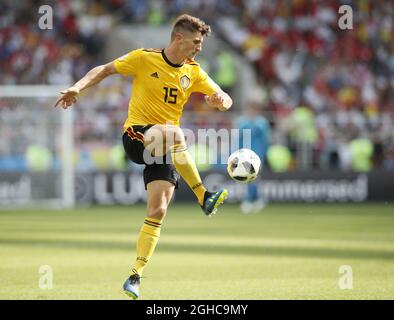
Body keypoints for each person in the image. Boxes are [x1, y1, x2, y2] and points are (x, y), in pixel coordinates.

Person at [54, 14, 232, 299]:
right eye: (196, 42)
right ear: (178, 38)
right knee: (177, 134)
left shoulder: (194, 72)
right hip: (137, 137)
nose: (199, 47)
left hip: (162, 147)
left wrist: (221, 100)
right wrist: (77, 87)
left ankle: (135, 276)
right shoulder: (144, 58)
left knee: (158, 211)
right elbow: (103, 69)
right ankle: (203, 196)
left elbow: (224, 96)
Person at [236, 103, 270, 213]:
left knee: (254, 177)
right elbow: (238, 137)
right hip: (245, 153)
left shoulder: (262, 122)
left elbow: (265, 138)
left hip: (257, 153)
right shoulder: (242, 122)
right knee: (248, 177)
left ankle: (251, 200)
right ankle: (254, 200)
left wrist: (264, 152)